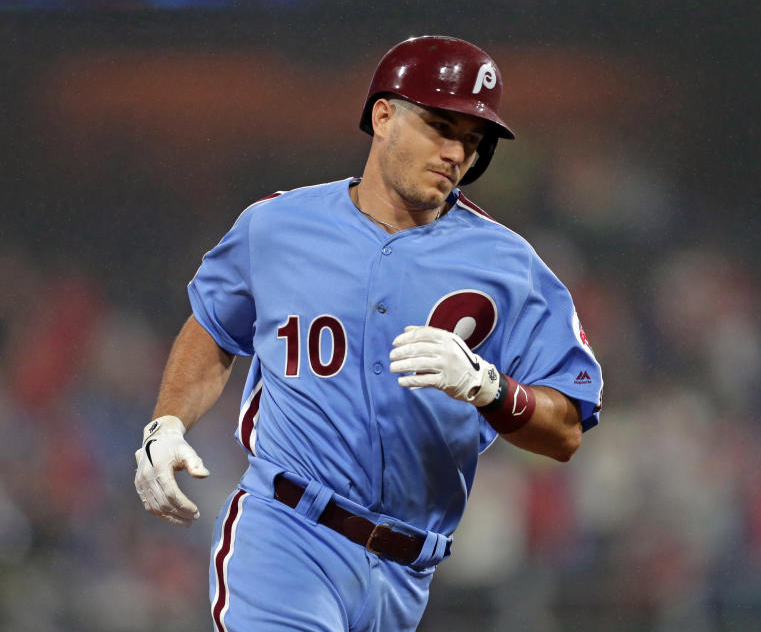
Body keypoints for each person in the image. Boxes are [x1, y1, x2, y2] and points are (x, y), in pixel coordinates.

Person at [134, 35, 603, 632]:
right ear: (384, 116)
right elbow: (213, 329)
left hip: (409, 570)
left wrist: (490, 387)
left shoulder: (509, 264)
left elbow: (566, 429)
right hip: (288, 534)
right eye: (440, 125)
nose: (456, 152)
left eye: (473, 139)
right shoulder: (277, 226)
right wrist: (168, 421)